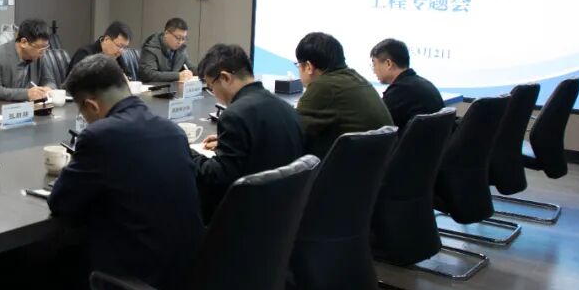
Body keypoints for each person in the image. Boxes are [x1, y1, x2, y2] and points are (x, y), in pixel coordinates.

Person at [49, 54, 204, 290]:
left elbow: (61, 203)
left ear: (91, 105)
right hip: (190, 286)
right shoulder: (172, 131)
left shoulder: (100, 137)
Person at [191, 44, 305, 221]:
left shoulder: (234, 115)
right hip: (285, 213)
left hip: (246, 216)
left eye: (211, 87)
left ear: (225, 78)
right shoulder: (286, 108)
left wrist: (188, 153)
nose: (214, 93)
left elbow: (218, 178)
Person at [294, 31, 393, 160]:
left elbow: (291, 131)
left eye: (298, 65)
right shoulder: (357, 79)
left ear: (308, 66)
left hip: (346, 168)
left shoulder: (324, 86)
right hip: (373, 167)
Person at [370, 38, 445, 132]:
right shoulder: (424, 84)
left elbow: (374, 123)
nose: (374, 70)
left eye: (374, 64)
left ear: (388, 63)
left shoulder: (400, 91)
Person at [0, 18, 58, 101]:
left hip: (33, 106)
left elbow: (49, 81)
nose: (43, 53)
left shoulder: (39, 56)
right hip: (4, 106)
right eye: (41, 49)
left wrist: (48, 89)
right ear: (24, 42)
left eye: (46, 48)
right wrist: (26, 94)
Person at [66, 20, 133, 80]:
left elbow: (128, 76)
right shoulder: (84, 53)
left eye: (125, 47)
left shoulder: (116, 56)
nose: (121, 51)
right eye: (119, 46)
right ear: (106, 39)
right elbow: (78, 82)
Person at [139, 17, 194, 83]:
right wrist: (177, 76)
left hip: (172, 87)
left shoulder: (180, 49)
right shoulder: (151, 47)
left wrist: (203, 73)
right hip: (154, 88)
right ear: (166, 33)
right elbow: (149, 74)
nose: (180, 42)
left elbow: (190, 67)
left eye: (183, 38)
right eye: (178, 38)